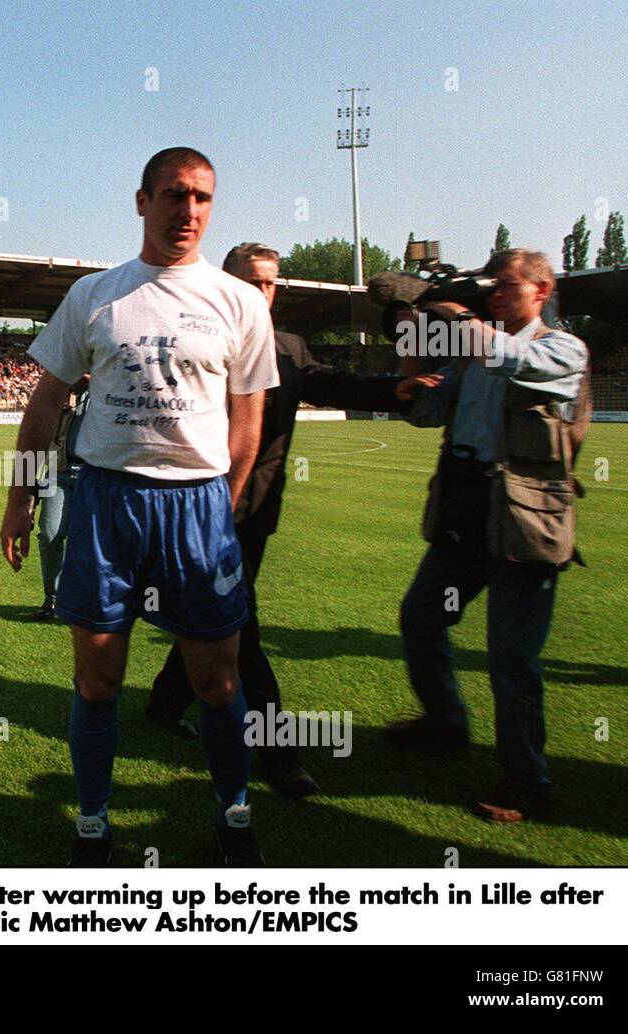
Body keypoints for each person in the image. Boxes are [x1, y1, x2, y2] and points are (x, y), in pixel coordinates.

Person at [0, 147, 278, 866]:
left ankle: (234, 816)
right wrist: (20, 498)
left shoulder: (239, 301)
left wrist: (226, 502)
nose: (189, 212)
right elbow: (46, 402)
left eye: (203, 198)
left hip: (197, 508)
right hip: (105, 504)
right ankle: (93, 825)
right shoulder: (95, 294)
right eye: (175, 195)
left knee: (217, 680)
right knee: (97, 679)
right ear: (142, 201)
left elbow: (247, 423)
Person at [145, 243, 432, 794]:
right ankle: (277, 753)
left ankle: (164, 702)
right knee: (240, 626)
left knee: (223, 613)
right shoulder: (189, 341)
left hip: (253, 513)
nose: (263, 293)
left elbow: (334, 384)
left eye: (271, 284)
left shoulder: (290, 348)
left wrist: (394, 392)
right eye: (252, 282)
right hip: (196, 510)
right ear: (223, 285)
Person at [384, 249, 589, 823]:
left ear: (541, 290)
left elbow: (513, 358)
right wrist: (411, 354)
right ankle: (445, 721)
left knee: (511, 657)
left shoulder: (562, 347)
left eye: (508, 286)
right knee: (422, 615)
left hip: (524, 516)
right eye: (491, 287)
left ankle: (529, 783)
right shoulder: (471, 351)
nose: (496, 294)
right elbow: (428, 409)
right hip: (465, 505)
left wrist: (453, 319)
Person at [32, 376, 88, 621]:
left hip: (96, 475)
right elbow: (36, 435)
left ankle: (87, 601)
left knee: (90, 541)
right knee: (50, 533)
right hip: (58, 472)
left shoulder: (111, 385)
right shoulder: (62, 387)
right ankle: (53, 599)